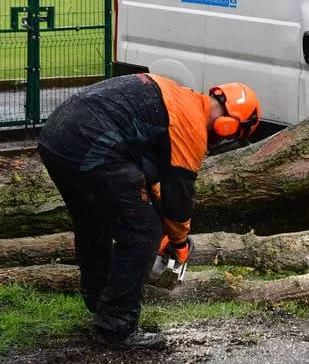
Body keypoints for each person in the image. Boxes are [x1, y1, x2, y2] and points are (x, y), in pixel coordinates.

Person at [37, 73, 260, 349]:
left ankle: (99, 301)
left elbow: (151, 182)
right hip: (89, 141)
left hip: (57, 137)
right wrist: (177, 243)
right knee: (143, 232)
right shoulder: (192, 127)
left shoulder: (180, 100)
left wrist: (160, 222)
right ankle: (116, 326)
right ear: (229, 126)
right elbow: (179, 199)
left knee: (93, 221)